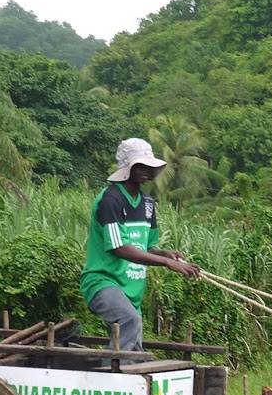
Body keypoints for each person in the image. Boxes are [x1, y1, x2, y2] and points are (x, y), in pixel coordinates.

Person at [80, 137, 201, 352]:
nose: (146, 171)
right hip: (103, 281)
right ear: (127, 168)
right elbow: (119, 247)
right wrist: (166, 263)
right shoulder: (110, 200)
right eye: (140, 166)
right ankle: (111, 373)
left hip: (131, 289)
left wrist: (165, 254)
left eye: (149, 166)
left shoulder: (147, 203)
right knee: (130, 320)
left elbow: (147, 247)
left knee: (133, 348)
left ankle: (119, 370)